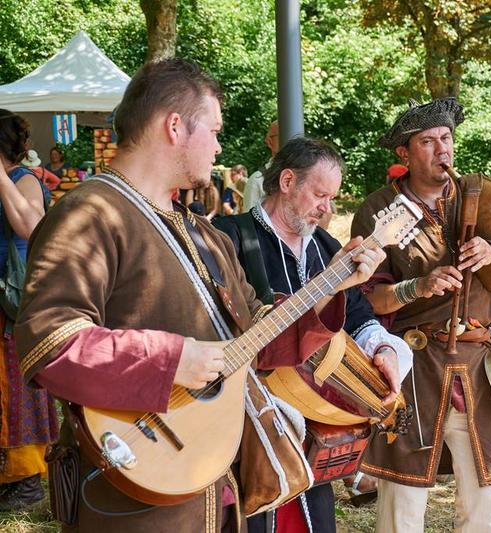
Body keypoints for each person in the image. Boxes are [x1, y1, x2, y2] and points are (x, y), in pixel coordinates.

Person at [13, 58, 384, 532]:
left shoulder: (206, 236)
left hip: (215, 483)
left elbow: (260, 338)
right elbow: (49, 344)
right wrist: (172, 359)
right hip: (136, 495)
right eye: (213, 129)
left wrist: (333, 284)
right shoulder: (90, 215)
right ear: (174, 127)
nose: (219, 145)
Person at [351, 97, 491, 533]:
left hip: (478, 366)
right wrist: (417, 286)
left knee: (485, 498)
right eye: (427, 141)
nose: (441, 148)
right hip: (414, 365)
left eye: (446, 137)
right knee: (403, 497)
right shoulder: (378, 209)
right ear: (404, 154)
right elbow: (368, 299)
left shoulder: (481, 196)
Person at [214, 136, 413, 532]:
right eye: (320, 194)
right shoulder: (230, 237)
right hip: (249, 420)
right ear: (287, 181)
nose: (327, 208)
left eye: (332, 197)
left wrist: (384, 350)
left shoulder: (325, 245)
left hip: (316, 418)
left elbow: (359, 315)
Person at [0, 110, 57, 512]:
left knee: (18, 390)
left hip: (14, 303)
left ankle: (27, 475)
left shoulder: (24, 180)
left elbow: (31, 227)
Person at [243, 120, 280, 212]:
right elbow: (250, 224)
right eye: (283, 135)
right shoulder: (258, 180)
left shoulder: (308, 176)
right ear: (269, 141)